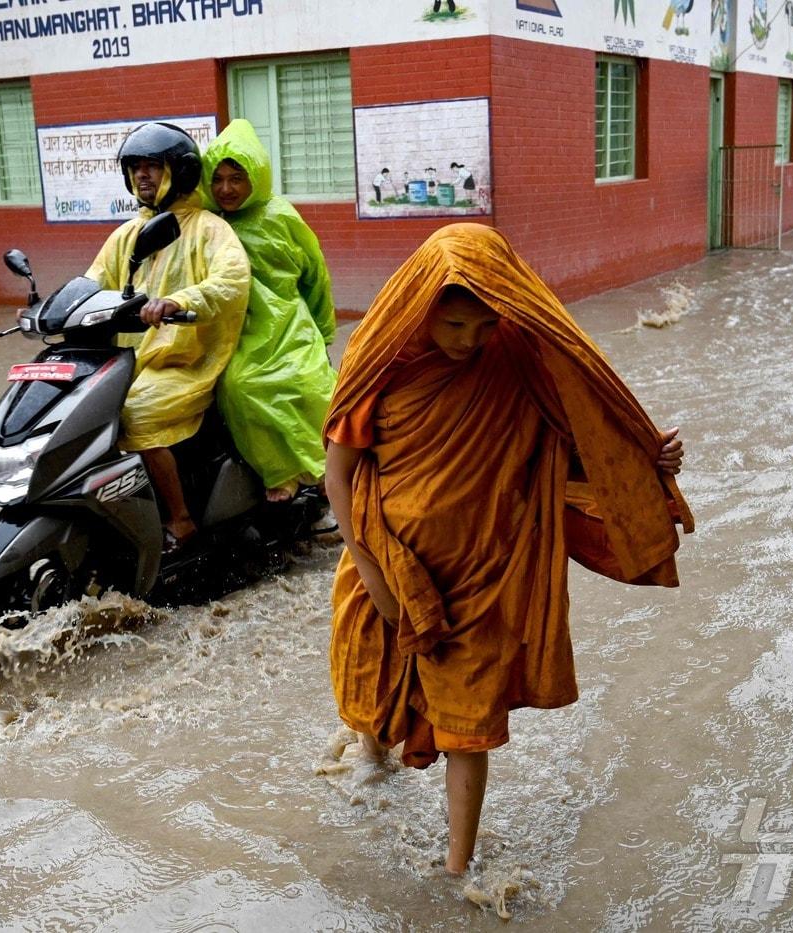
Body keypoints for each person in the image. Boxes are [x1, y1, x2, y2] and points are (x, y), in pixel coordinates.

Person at [324, 223, 692, 876]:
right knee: (374, 694)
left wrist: (647, 457)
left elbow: (579, 435)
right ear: (422, 307)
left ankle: (457, 868)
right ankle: (370, 776)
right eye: (454, 325)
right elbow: (341, 471)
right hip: (386, 560)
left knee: (467, 722)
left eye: (482, 326)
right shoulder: (381, 360)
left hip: (484, 572)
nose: (469, 342)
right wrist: (373, 570)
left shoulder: (521, 356)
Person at [87, 122, 250, 549]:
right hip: (132, 361)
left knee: (136, 414)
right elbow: (92, 283)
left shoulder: (208, 228)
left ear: (179, 172)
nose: (143, 175)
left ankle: (180, 520)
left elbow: (232, 281)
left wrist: (178, 301)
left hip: (186, 360)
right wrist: (48, 308)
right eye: (136, 168)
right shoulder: (126, 234)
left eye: (153, 167)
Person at [200, 118, 338, 503]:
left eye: (237, 178)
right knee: (239, 387)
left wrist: (323, 331)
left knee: (311, 385)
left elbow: (315, 275)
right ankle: (280, 471)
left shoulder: (282, 216)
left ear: (255, 177)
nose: (226, 188)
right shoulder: (209, 223)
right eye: (218, 178)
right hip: (237, 330)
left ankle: (327, 469)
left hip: (289, 323)